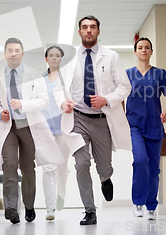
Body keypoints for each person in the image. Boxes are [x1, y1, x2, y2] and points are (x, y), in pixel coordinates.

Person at [53, 15, 132, 225]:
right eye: (85, 27)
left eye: (93, 27)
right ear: (79, 32)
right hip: (76, 118)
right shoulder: (68, 58)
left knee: (103, 166)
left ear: (98, 31)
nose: (88, 30)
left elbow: (125, 87)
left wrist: (106, 99)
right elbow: (59, 89)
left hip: (102, 119)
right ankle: (90, 210)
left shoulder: (112, 57)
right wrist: (63, 103)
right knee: (81, 164)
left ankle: (106, 178)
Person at [0, 38, 64, 224]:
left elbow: (43, 101)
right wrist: (0, 113)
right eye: (10, 50)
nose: (13, 53)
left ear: (22, 54)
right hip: (9, 126)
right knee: (9, 163)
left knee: (28, 167)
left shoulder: (35, 75)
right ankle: (12, 208)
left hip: (29, 125)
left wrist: (23, 104)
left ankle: (29, 206)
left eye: (17, 50)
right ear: (5, 54)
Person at [125, 37, 166, 220]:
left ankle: (151, 206)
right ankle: (138, 203)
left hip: (154, 126)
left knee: (154, 168)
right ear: (135, 52)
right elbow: (118, 97)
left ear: (151, 51)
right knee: (140, 161)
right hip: (134, 126)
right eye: (140, 47)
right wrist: (121, 118)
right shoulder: (127, 74)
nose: (143, 50)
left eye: (147, 47)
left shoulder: (160, 74)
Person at [40, 45, 70, 221]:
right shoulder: (40, 81)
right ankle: (49, 208)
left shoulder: (68, 80)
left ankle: (61, 194)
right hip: (45, 130)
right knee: (48, 168)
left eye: (57, 55)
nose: (54, 58)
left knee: (62, 168)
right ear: (46, 59)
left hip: (64, 128)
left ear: (61, 59)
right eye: (50, 55)